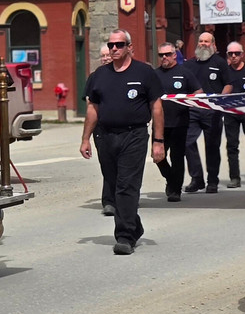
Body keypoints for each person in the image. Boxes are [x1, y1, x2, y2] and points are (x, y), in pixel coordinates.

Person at [80, 30, 165, 255]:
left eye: (119, 44)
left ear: (129, 46)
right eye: (111, 45)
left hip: (134, 135)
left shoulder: (144, 72)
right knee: (115, 184)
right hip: (105, 136)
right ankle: (134, 225)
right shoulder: (99, 75)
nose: (114, 49)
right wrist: (85, 138)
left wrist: (158, 141)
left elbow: (156, 107)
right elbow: (92, 109)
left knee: (127, 186)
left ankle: (125, 236)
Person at [184, 30, 232, 194]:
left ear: (213, 45)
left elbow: (228, 84)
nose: (203, 44)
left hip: (212, 111)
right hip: (193, 110)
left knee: (212, 145)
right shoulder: (189, 65)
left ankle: (212, 181)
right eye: (201, 41)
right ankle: (197, 179)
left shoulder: (220, 63)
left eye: (207, 41)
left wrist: (221, 99)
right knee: (187, 142)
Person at [155, 41, 200, 202]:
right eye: (161, 55)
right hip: (159, 124)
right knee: (158, 156)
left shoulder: (184, 73)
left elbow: (198, 92)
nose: (164, 57)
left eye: (168, 54)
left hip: (180, 122)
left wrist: (190, 102)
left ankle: (175, 190)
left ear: (175, 55)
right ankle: (171, 179)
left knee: (177, 157)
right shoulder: (155, 75)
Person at [83, 43, 115, 215]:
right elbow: (90, 104)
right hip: (101, 128)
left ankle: (125, 198)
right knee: (107, 164)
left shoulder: (125, 74)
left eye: (107, 55)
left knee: (125, 166)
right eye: (102, 56)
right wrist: (86, 137)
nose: (104, 59)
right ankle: (109, 201)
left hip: (125, 129)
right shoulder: (95, 77)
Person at [223, 42, 245, 188]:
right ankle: (234, 178)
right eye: (231, 54)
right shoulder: (224, 72)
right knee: (231, 145)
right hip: (231, 113)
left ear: (242, 54)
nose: (234, 56)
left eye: (237, 53)